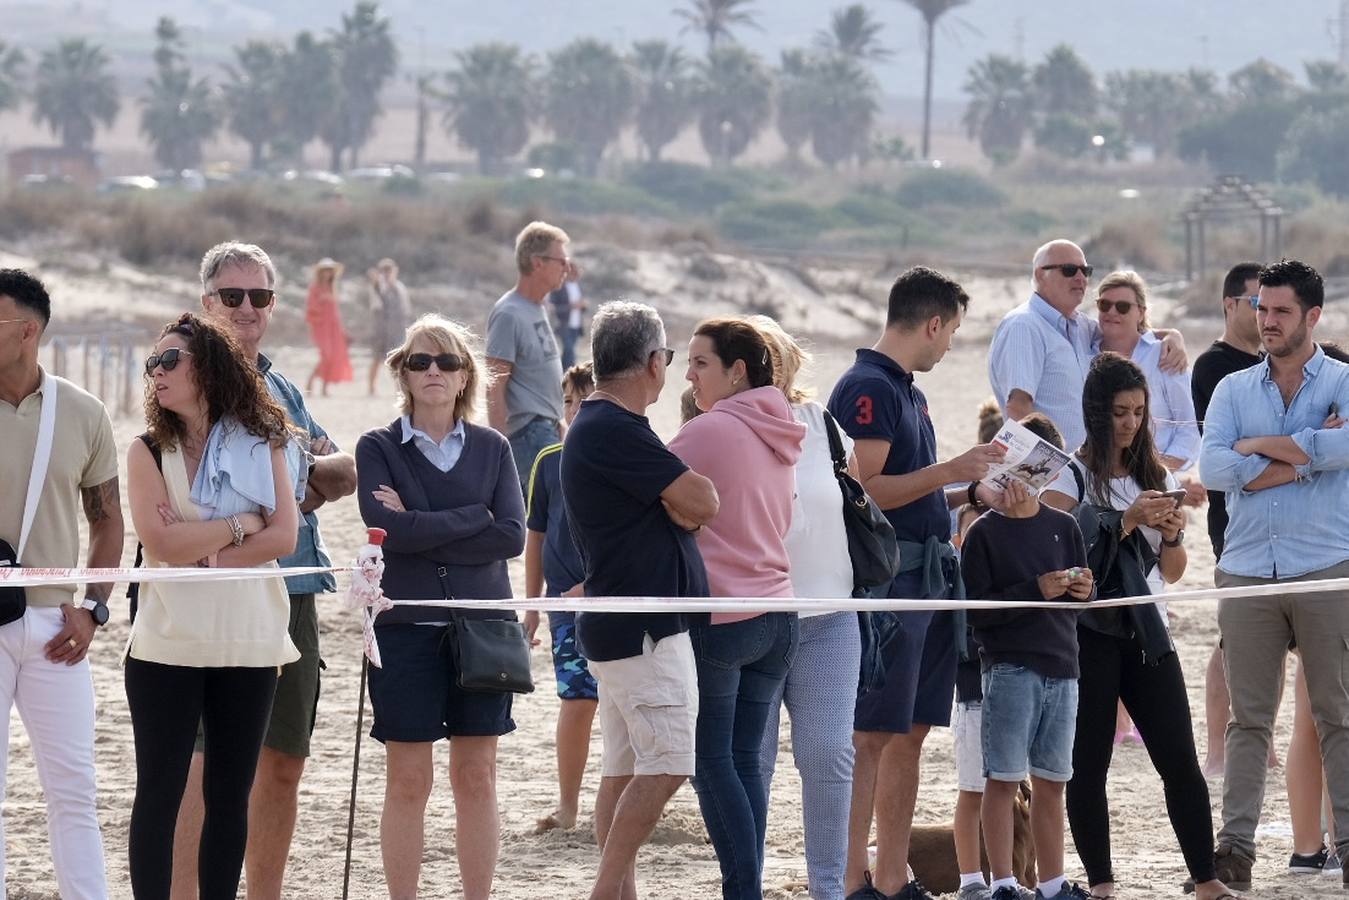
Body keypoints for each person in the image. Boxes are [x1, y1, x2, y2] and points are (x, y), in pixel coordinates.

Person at [177, 240, 357, 900]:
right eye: (232, 296)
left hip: (297, 587)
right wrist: (296, 485)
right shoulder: (187, 382)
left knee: (284, 762)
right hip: (216, 592)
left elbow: (342, 469)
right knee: (203, 762)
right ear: (207, 303)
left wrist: (292, 489)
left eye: (260, 296)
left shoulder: (282, 387)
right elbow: (201, 491)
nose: (248, 308)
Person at [827, 266, 1008, 900]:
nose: (951, 344)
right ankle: (853, 880)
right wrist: (950, 470)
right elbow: (862, 489)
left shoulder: (904, 389)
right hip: (890, 581)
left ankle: (890, 874)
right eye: (952, 331)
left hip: (925, 576)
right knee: (873, 733)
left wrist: (972, 487)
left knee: (910, 731)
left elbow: (911, 491)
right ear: (931, 323)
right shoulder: (868, 388)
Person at [1042, 353, 1231, 900]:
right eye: (1120, 412)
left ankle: (1207, 879)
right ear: (1097, 413)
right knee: (1089, 765)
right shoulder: (1069, 476)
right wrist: (1126, 520)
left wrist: (1171, 532)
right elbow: (1061, 556)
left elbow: (1172, 570)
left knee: (1179, 759)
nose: (1130, 423)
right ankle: (1101, 884)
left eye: (1139, 412)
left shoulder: (1158, 475)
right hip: (1089, 634)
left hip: (1148, 630)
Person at [125, 313, 301, 899]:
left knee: (230, 793)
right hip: (167, 640)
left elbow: (285, 538)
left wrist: (210, 554)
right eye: (153, 363)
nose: (157, 372)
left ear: (210, 366)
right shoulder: (146, 448)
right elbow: (162, 544)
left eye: (169, 360)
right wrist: (237, 524)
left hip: (249, 638)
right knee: (160, 788)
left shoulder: (263, 439)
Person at [355, 314, 526, 900]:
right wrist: (470, 515)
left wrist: (418, 522)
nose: (433, 371)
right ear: (402, 371)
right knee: (408, 781)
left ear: (464, 376)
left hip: (484, 628)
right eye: (420, 361)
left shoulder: (493, 447)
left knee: (476, 777)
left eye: (447, 361)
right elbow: (386, 530)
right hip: (404, 629)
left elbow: (511, 537)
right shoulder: (376, 446)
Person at [1198, 258, 1349, 892]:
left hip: (1325, 567)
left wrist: (1255, 446)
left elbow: (1346, 450)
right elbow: (1211, 472)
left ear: (1313, 316)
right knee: (1248, 720)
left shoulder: (1343, 380)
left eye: (1282, 311)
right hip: (1248, 569)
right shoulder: (1232, 389)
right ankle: (1235, 849)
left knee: (1339, 715)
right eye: (1262, 309)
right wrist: (1305, 452)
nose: (1267, 321)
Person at [560, 301, 718, 900]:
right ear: (653, 362)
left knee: (623, 770)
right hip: (644, 629)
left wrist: (677, 504)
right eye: (670, 360)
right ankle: (606, 890)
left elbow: (686, 507)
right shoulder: (613, 428)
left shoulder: (603, 426)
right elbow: (702, 502)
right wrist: (679, 504)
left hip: (624, 624)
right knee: (670, 763)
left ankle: (619, 892)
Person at [669, 317, 805, 900]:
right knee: (746, 761)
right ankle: (745, 888)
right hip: (778, 614)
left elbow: (645, 489)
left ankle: (743, 890)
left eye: (701, 362)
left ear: (737, 370)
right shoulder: (783, 425)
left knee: (710, 762)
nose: (689, 372)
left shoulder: (710, 429)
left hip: (724, 618)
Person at [0, 268, 122, 899]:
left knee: (75, 789)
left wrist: (94, 611)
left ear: (29, 331)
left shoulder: (83, 411)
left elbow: (107, 523)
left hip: (56, 628)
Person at [751, 316, 863, 900]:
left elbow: (848, 502)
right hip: (751, 619)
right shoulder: (718, 424)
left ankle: (827, 887)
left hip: (830, 613)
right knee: (754, 760)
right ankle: (749, 880)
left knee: (828, 755)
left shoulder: (823, 423)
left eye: (773, 356)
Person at [963, 413, 1095, 900]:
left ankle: (1053, 881)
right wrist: (1034, 590)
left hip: (1063, 666)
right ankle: (1002, 882)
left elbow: (1082, 593)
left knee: (1053, 781)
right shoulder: (983, 533)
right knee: (1002, 777)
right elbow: (978, 613)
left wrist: (1082, 590)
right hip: (1011, 666)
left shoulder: (1064, 525)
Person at [988, 239, 1186, 453]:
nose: (1081, 278)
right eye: (1069, 270)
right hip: (1049, 474)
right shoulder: (1024, 326)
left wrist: (1172, 335)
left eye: (1085, 271)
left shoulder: (1079, 326)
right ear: (1039, 275)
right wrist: (1037, 471)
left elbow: (1125, 330)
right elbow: (1018, 407)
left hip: (1085, 472)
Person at [1189, 261, 1264, 779]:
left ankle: (1261, 741)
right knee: (1232, 636)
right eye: (1257, 303)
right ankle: (1218, 746)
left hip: (1277, 517)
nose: (1265, 315)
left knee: (1279, 637)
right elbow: (1228, 451)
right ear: (1230, 304)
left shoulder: (1276, 363)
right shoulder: (1215, 367)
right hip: (1231, 515)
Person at [523, 362, 598, 834]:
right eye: (569, 401)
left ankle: (622, 805)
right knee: (577, 701)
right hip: (565, 611)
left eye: (583, 401)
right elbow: (536, 538)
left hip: (618, 604)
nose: (573, 409)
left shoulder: (620, 456)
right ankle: (569, 807)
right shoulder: (548, 461)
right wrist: (532, 607)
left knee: (627, 706)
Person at [487, 221, 570, 488]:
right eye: (561, 261)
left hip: (547, 428)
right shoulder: (509, 313)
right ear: (537, 263)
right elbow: (495, 385)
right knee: (548, 518)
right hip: (526, 434)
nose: (567, 268)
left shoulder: (537, 307)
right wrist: (501, 448)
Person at [1095, 271, 1200, 472]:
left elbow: (1190, 426)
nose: (1112, 312)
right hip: (1095, 479)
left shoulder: (1165, 355)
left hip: (1154, 479)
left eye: (1123, 307)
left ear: (1141, 312)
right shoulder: (1084, 350)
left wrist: (1155, 471)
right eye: (1104, 305)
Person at [305, 257, 353, 396]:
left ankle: (324, 388)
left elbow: (335, 313)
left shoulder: (332, 287)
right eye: (325, 270)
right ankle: (310, 382)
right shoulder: (315, 288)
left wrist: (342, 331)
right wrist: (321, 300)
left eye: (330, 271)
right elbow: (310, 309)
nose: (328, 273)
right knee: (325, 356)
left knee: (332, 357)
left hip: (334, 328)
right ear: (320, 272)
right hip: (321, 328)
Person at [367, 257, 412, 396]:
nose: (386, 273)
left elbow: (405, 309)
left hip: (397, 330)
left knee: (398, 361)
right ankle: (371, 388)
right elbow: (376, 307)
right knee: (376, 359)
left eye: (389, 270)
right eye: (384, 270)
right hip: (381, 331)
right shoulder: (377, 287)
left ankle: (399, 389)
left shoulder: (399, 287)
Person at [549, 260, 586, 369]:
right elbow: (554, 308)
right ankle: (570, 375)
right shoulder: (559, 287)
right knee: (569, 351)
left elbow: (582, 306)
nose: (575, 274)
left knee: (568, 352)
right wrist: (571, 306)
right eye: (572, 272)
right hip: (563, 325)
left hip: (576, 325)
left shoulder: (578, 286)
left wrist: (582, 306)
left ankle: (563, 375)